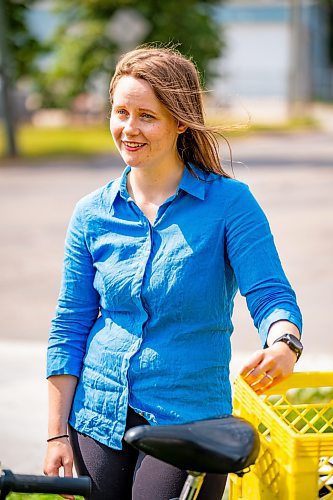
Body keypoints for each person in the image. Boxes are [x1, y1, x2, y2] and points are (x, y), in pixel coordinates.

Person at [44, 46, 303, 500]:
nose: (129, 128)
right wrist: (56, 435)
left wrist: (285, 342)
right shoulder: (91, 214)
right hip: (97, 412)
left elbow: (269, 291)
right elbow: (70, 324)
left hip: (189, 417)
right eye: (121, 112)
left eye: (147, 116)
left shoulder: (230, 205)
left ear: (180, 121)